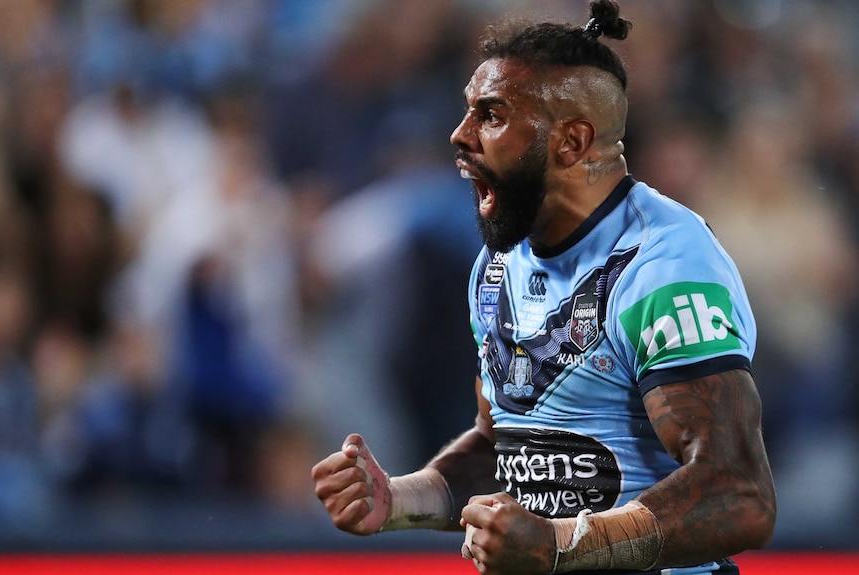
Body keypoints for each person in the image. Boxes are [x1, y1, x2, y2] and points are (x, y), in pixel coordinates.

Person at [311, 1, 777, 573]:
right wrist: (400, 499)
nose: (459, 136)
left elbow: (738, 493)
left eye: (492, 116)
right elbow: (508, 448)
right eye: (468, 112)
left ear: (573, 141)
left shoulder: (664, 267)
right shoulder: (497, 265)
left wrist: (561, 544)